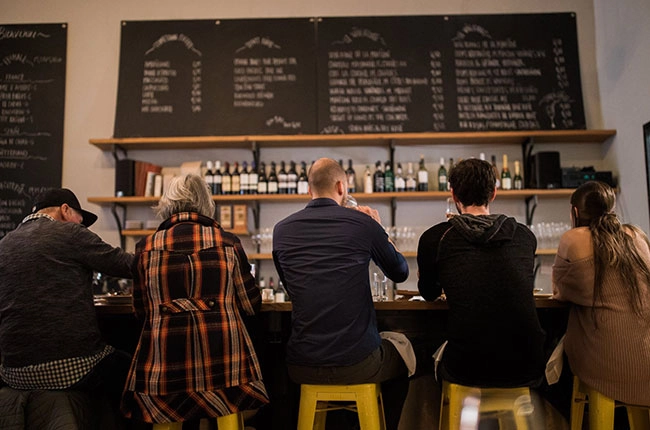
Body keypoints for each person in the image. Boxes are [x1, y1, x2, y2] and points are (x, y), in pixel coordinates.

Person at [272, 158, 410, 430]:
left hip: (302, 364)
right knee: (406, 356)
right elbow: (400, 272)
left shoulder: (281, 230)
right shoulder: (362, 223)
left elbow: (291, 287)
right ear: (341, 187)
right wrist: (379, 230)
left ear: (309, 190)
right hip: (359, 362)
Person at [121, 174, 269, 425]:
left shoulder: (144, 248)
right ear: (206, 203)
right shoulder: (228, 243)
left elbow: (141, 311)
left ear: (167, 204)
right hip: (225, 373)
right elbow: (251, 304)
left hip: (164, 376)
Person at [0, 188, 134, 427]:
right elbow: (127, 265)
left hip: (13, 372)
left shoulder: (5, 243)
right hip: (70, 368)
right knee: (132, 367)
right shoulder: (70, 233)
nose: (81, 226)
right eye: (80, 220)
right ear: (65, 210)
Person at [417, 158, 546, 387]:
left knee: (424, 355)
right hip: (528, 365)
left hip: (467, 368)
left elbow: (428, 293)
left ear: (453, 194)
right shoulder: (524, 236)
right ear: (494, 193)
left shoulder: (435, 238)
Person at [552, 181, 650, 406]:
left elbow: (559, 291)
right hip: (647, 363)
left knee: (551, 357)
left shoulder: (573, 238)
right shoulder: (637, 235)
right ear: (611, 208)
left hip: (609, 369)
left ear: (575, 212)